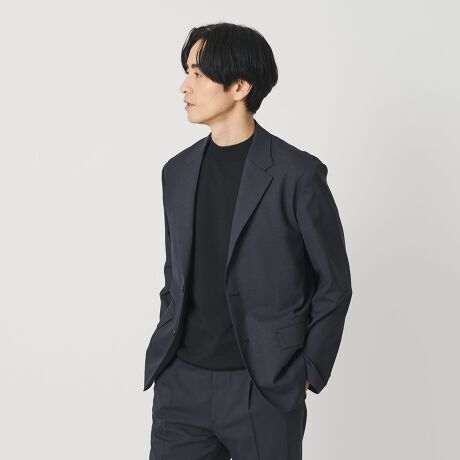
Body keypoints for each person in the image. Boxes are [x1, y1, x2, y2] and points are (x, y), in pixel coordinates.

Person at [144, 22, 353, 460]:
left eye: (199, 74)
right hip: (181, 387)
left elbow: (334, 284)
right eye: (187, 72)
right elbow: (175, 274)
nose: (184, 86)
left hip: (264, 386)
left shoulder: (298, 175)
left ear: (240, 86)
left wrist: (307, 371)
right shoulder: (176, 173)